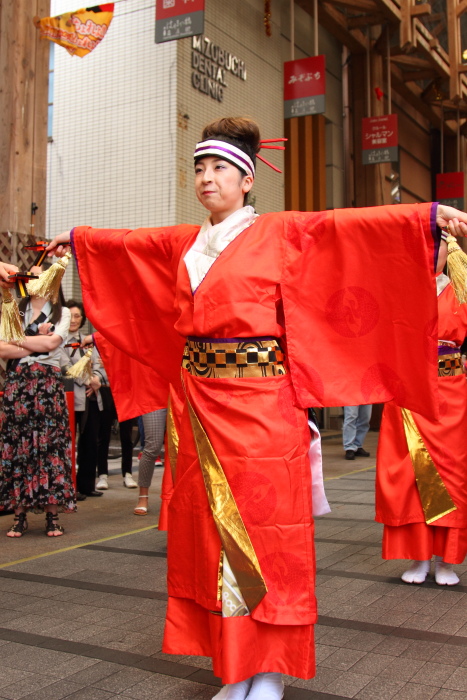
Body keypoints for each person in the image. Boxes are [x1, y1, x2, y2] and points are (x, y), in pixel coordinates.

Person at [46, 117, 467, 699]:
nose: (206, 179)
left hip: (263, 408)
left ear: (246, 181)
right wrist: (78, 239)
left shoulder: (279, 232)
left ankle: (269, 669)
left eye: (219, 168)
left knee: (268, 534)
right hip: (198, 410)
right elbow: (126, 245)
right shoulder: (184, 242)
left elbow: (343, 228)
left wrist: (421, 216)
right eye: (198, 168)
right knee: (211, 536)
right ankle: (235, 665)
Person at [376, 268, 467, 586]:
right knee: (412, 474)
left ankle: (447, 561)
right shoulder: (398, 287)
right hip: (408, 390)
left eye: (436, 243)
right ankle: (420, 557)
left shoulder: (462, 285)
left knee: (451, 474)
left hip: (452, 391)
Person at [0, 284, 75, 536]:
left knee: (50, 445)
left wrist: (21, 341)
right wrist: (38, 340)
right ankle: (18, 516)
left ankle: (52, 516)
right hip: (17, 383)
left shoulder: (62, 312)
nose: (31, 280)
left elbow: (53, 343)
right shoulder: (12, 310)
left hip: (47, 385)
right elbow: (2, 348)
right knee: (19, 447)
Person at [59, 300, 105, 498]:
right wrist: (89, 380)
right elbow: (66, 367)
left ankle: (86, 485)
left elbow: (101, 363)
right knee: (67, 443)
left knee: (90, 442)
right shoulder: (58, 341)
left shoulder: (89, 339)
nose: (74, 320)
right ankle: (68, 486)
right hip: (71, 398)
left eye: (77, 316)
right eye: (70, 316)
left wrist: (97, 380)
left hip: (91, 396)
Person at [134, 408, 167, 515]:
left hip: (182, 396)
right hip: (154, 398)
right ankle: (143, 497)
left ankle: (181, 497)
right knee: (152, 447)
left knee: (183, 449)